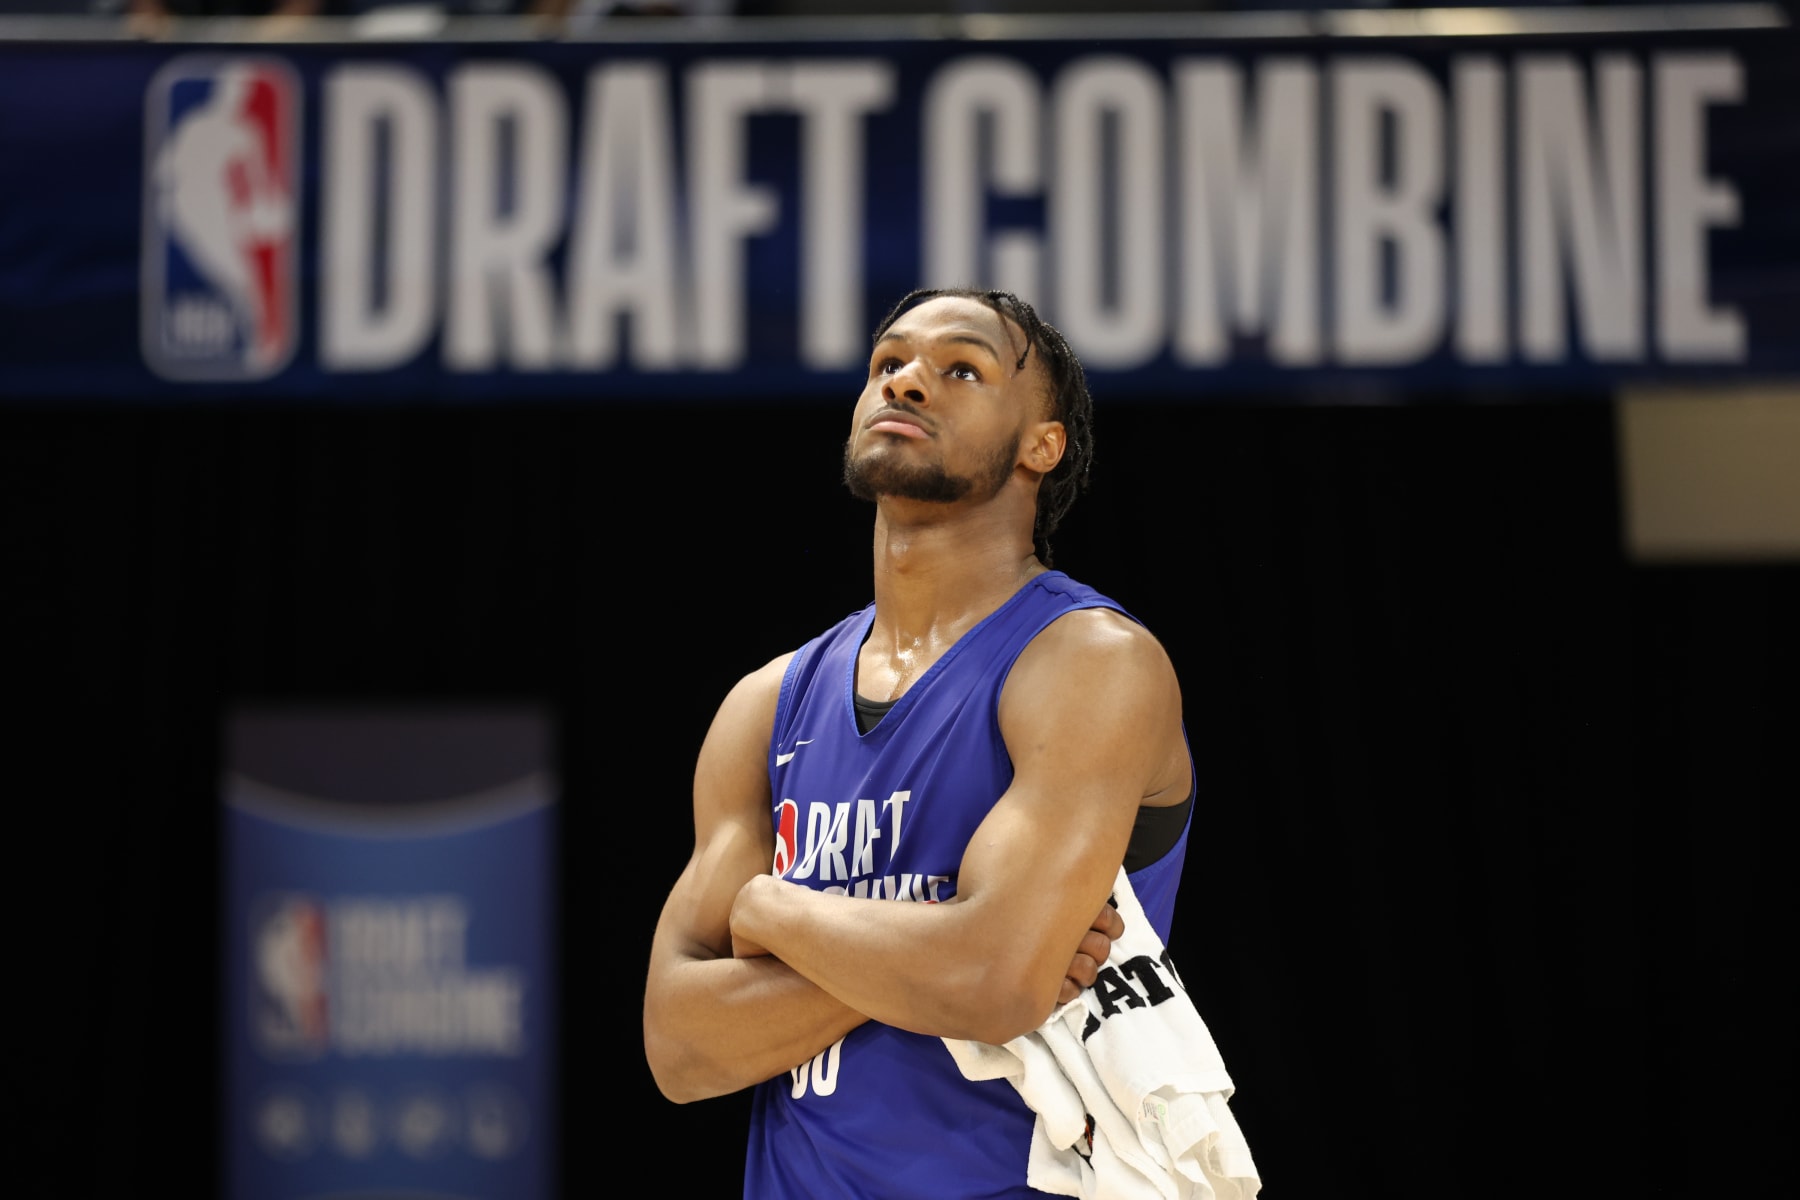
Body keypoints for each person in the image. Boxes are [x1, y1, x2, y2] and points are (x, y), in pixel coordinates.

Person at [643, 288, 1195, 1197]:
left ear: (1040, 445)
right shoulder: (767, 704)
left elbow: (993, 979)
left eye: (961, 370)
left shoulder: (1090, 663)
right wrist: (953, 953)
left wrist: (776, 914)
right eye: (887, 364)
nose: (906, 383)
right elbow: (679, 1045)